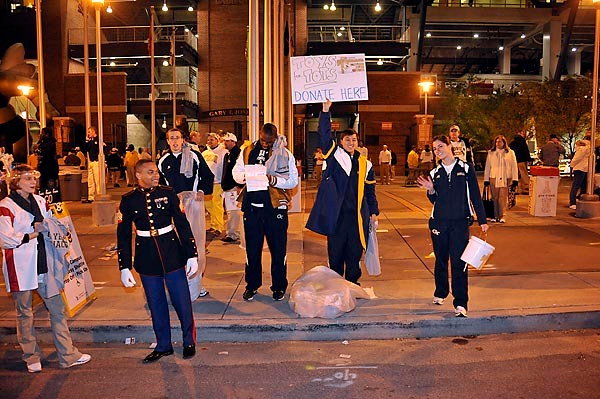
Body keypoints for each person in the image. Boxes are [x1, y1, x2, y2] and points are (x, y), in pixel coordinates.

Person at [0, 165, 91, 372]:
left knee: (57, 309)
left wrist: (50, 229)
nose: (32, 182)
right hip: (20, 266)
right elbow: (5, 239)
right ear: (15, 182)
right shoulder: (6, 206)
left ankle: (67, 355)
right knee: (24, 313)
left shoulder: (40, 201)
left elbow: (52, 224)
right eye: (27, 178)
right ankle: (31, 357)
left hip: (44, 264)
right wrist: (34, 233)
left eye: (33, 178)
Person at [117, 160, 198, 363]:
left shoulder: (168, 193)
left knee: (182, 301)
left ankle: (189, 341)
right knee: (156, 303)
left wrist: (191, 254)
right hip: (146, 256)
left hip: (171, 252)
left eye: (156, 172)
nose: (156, 175)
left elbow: (182, 224)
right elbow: (124, 235)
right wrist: (124, 266)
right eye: (150, 172)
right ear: (138, 175)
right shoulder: (128, 200)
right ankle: (163, 345)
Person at [306, 99, 379, 285]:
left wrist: (373, 212)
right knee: (336, 253)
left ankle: (353, 284)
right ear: (341, 142)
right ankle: (336, 285)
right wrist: (325, 111)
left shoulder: (365, 164)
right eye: (347, 140)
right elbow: (324, 135)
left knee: (354, 254)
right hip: (337, 216)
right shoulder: (334, 156)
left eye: (354, 140)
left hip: (357, 217)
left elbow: (370, 191)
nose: (351, 142)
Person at [417, 135, 489, 318]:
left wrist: (482, 220)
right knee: (441, 260)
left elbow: (475, 194)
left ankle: (461, 302)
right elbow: (435, 199)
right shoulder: (435, 173)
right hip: (439, 222)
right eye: (434, 149)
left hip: (460, 222)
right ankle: (441, 292)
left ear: (450, 146)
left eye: (440, 146)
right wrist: (431, 190)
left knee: (459, 263)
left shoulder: (465, 169)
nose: (437, 151)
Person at [233, 123, 298, 301]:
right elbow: (236, 172)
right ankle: (252, 285)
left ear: (275, 138)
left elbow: (292, 181)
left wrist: (273, 179)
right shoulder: (247, 150)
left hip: (275, 208)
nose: (265, 144)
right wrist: (246, 176)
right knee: (252, 250)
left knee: (278, 251)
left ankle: (279, 287)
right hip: (252, 207)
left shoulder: (285, 154)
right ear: (259, 135)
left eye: (269, 141)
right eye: (263, 140)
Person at [158, 128, 214, 300]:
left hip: (193, 207)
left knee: (195, 245)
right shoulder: (163, 161)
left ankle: (196, 286)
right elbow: (159, 185)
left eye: (177, 138)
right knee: (174, 248)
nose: (175, 141)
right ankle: (177, 287)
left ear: (183, 139)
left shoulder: (195, 156)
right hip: (173, 210)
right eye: (171, 138)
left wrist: (200, 193)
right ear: (167, 141)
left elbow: (207, 176)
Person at [483, 135, 519, 223]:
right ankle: (494, 215)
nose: (498, 143)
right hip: (493, 177)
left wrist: (515, 179)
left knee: (503, 197)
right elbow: (488, 166)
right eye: (496, 141)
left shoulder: (510, 152)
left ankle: (502, 215)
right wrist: (486, 179)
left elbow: (514, 166)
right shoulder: (491, 153)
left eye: (500, 141)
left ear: (504, 142)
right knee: (494, 197)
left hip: (506, 177)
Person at [220, 133, 244, 244]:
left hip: (233, 187)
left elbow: (239, 171)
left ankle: (233, 234)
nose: (225, 142)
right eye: (225, 141)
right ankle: (231, 232)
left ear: (233, 142)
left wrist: (239, 186)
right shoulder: (228, 154)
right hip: (228, 187)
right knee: (230, 211)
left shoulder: (237, 154)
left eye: (228, 141)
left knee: (233, 212)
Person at [202, 132, 227, 236]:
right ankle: (213, 224)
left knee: (217, 205)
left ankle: (218, 227)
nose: (209, 142)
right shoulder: (204, 153)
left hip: (218, 182)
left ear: (217, 140)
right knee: (208, 204)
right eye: (208, 140)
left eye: (212, 139)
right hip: (207, 183)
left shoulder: (223, 152)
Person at [82, 126, 105, 203]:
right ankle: (91, 196)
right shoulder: (90, 142)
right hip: (91, 162)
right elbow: (85, 149)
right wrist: (87, 141)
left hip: (96, 162)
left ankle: (99, 195)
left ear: (93, 132)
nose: (88, 134)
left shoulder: (98, 140)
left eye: (89, 132)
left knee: (97, 180)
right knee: (90, 180)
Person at [568, 136, 591, 210]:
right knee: (583, 186)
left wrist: (572, 165)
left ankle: (573, 202)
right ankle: (577, 201)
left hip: (579, 168)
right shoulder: (589, 148)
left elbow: (576, 158)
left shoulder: (582, 148)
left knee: (576, 186)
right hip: (585, 168)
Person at [36, 127, 59, 196]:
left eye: (42, 133)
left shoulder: (49, 143)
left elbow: (46, 153)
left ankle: (51, 196)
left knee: (49, 184)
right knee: (44, 183)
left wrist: (40, 150)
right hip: (44, 168)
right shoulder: (43, 142)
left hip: (49, 167)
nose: (41, 134)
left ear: (47, 134)